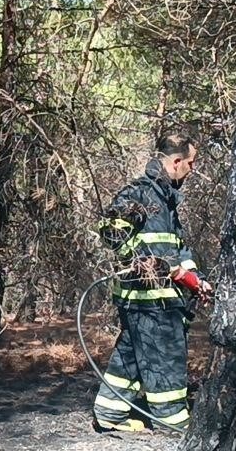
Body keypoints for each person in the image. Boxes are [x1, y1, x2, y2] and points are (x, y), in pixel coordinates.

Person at [91, 131, 213, 433]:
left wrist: (195, 279)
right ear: (176, 161)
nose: (192, 170)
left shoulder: (165, 199)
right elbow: (110, 229)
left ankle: (109, 413)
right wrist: (145, 261)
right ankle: (173, 421)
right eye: (191, 163)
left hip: (156, 301)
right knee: (166, 359)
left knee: (130, 357)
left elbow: (177, 247)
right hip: (150, 302)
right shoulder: (140, 193)